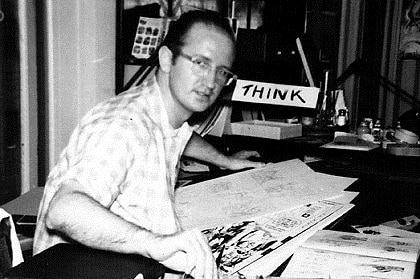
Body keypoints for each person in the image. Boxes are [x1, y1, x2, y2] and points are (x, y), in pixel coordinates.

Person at [32, 9, 265, 279]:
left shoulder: (160, 112)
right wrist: (154, 244)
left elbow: (180, 135)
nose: (211, 81)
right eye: (200, 63)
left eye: (222, 71)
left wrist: (226, 160)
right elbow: (63, 210)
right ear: (167, 59)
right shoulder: (123, 125)